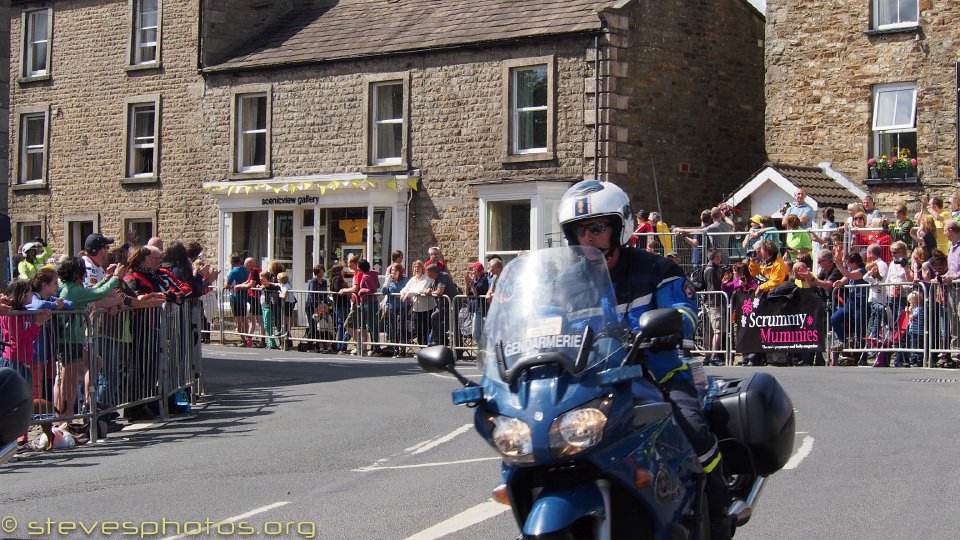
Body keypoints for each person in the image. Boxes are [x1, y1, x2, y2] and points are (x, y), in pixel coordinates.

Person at [557, 179, 730, 540]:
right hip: (591, 385)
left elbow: (686, 312)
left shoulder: (656, 270)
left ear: (620, 227)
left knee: (693, 428)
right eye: (578, 230)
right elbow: (543, 324)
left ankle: (717, 511)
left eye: (597, 228)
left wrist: (669, 327)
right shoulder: (565, 284)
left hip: (656, 375)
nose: (587, 237)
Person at [400, 260, 436, 348]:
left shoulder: (426, 278)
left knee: (425, 330)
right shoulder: (413, 279)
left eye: (418, 267)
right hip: (416, 308)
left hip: (427, 308)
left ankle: (425, 350)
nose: (416, 269)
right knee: (418, 330)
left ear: (422, 268)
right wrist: (403, 293)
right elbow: (405, 288)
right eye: (415, 267)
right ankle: (421, 349)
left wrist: (409, 294)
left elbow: (421, 289)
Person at [701, 250, 725, 366]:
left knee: (709, 330)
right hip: (713, 302)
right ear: (715, 257)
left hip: (709, 301)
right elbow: (712, 287)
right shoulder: (711, 269)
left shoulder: (708, 268)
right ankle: (713, 356)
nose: (720, 260)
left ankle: (708, 356)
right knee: (717, 330)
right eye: (719, 257)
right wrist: (716, 302)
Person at [381, 263, 409, 357]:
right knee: (393, 328)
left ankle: (403, 350)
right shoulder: (390, 281)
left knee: (401, 328)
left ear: (400, 271)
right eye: (392, 270)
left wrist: (396, 293)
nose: (393, 272)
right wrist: (388, 281)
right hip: (392, 306)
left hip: (402, 306)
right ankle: (395, 349)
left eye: (395, 270)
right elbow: (384, 291)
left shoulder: (405, 280)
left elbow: (403, 290)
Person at [224, 254, 251, 347]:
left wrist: (225, 280)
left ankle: (244, 340)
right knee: (244, 319)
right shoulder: (246, 270)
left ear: (232, 262)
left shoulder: (233, 271)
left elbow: (227, 286)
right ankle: (248, 339)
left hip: (235, 297)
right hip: (244, 297)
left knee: (238, 320)